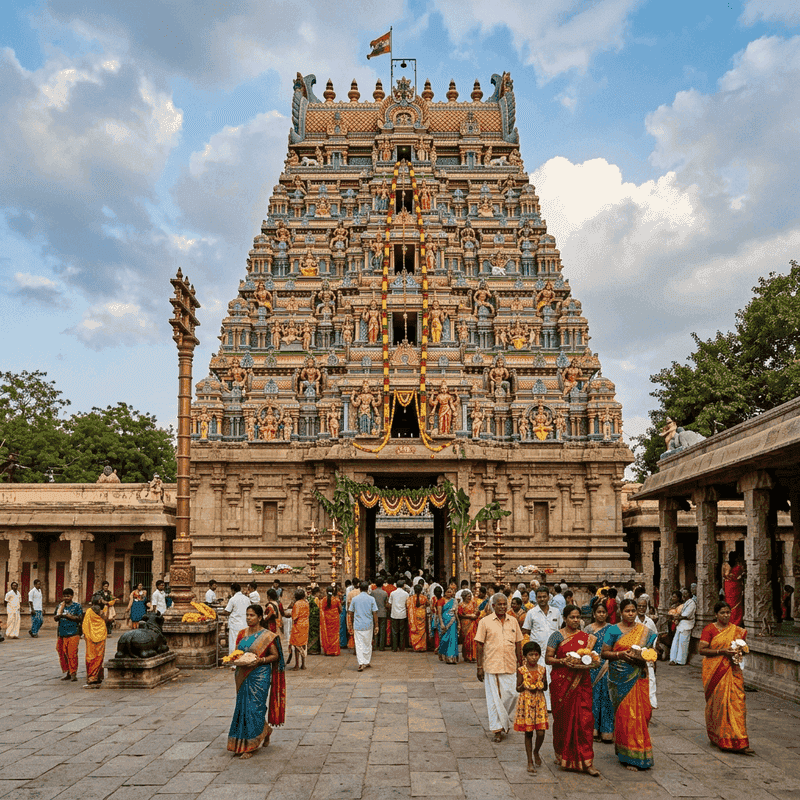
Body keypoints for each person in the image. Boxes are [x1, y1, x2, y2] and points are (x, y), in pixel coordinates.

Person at [601, 597, 657, 771]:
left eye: (633, 611)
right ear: (620, 612)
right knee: (627, 716)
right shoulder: (613, 630)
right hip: (620, 678)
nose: (631, 614)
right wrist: (621, 655)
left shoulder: (645, 631)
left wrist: (649, 654)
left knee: (643, 714)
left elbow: (653, 650)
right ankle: (628, 755)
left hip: (639, 675)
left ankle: (639, 750)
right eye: (627, 611)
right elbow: (604, 653)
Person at [546, 605, 600, 776]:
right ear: (565, 618)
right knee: (563, 721)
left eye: (578, 617)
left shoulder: (587, 638)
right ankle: (563, 755)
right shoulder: (556, 636)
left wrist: (594, 663)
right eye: (572, 617)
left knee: (585, 721)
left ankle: (587, 761)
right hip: (562, 684)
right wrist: (563, 661)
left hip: (582, 684)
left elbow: (593, 658)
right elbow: (548, 659)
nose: (575, 620)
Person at [227, 604, 285, 759]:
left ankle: (251, 746)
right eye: (247, 615)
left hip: (259, 674)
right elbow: (237, 653)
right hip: (242, 673)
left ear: (260, 617)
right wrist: (235, 659)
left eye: (252, 615)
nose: (248, 618)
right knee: (242, 707)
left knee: (255, 707)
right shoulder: (241, 634)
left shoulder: (267, 636)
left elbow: (276, 656)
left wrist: (261, 660)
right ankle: (263, 730)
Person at [698, 601, 753, 754]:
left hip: (733, 671)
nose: (726, 615)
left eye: (728, 612)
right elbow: (701, 650)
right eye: (722, 612)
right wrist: (722, 651)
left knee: (738, 704)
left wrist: (740, 650)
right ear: (716, 614)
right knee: (719, 705)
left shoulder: (737, 630)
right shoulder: (709, 629)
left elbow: (744, 649)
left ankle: (740, 740)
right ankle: (720, 738)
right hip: (715, 671)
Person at [475, 593, 523, 742]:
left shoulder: (513, 621)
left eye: (504, 604)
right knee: (495, 699)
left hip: (510, 664)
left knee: (513, 695)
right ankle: (497, 729)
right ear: (493, 606)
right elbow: (479, 644)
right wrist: (479, 666)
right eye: (499, 604)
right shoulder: (485, 621)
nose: (502, 607)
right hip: (492, 665)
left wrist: (521, 664)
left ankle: (503, 721)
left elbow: (518, 643)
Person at [521, 586, 561, 711]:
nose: (542, 599)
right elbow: (526, 630)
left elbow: (559, 629)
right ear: (536, 598)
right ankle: (545, 705)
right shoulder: (531, 613)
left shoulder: (556, 612)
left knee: (553, 678)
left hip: (554, 652)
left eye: (544, 596)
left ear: (549, 597)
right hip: (538, 653)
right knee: (542, 677)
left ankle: (553, 703)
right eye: (539, 597)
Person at [514, 641, 549, 774]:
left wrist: (543, 684)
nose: (533, 657)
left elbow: (545, 687)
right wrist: (523, 686)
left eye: (536, 655)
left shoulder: (542, 669)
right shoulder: (521, 670)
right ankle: (529, 761)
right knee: (528, 733)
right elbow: (517, 688)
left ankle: (536, 751)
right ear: (525, 656)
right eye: (530, 655)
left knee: (541, 732)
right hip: (527, 703)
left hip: (539, 702)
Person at [586, 601, 614, 744]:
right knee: (593, 699)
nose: (601, 614)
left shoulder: (612, 629)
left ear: (607, 614)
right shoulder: (588, 629)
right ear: (594, 614)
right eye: (599, 612)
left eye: (604, 612)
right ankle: (593, 730)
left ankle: (607, 732)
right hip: (593, 667)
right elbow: (585, 648)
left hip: (608, 667)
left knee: (607, 698)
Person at [349, 581, 379, 671]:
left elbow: (350, 612)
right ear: (367, 589)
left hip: (358, 625)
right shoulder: (371, 599)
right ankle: (366, 661)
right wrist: (376, 625)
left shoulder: (355, 599)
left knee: (359, 644)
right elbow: (374, 613)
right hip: (368, 624)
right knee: (368, 643)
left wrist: (351, 623)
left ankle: (361, 662)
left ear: (360, 589)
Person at [54, 588, 83, 682]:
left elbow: (80, 618)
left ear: (72, 596)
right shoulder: (60, 606)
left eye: (68, 596)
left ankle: (73, 673)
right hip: (62, 633)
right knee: (62, 652)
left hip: (73, 633)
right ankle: (68, 672)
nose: (66, 598)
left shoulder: (77, 606)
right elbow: (55, 618)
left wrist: (70, 617)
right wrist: (60, 612)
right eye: (65, 596)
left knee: (72, 654)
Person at [82, 594, 108, 688]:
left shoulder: (89, 611)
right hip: (99, 636)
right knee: (98, 657)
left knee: (91, 657)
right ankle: (95, 677)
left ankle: (93, 677)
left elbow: (85, 625)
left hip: (90, 636)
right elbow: (106, 619)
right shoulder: (101, 610)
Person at [670, 588, 696, 665]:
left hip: (687, 624)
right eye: (683, 593)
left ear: (689, 594)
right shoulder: (685, 603)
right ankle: (673, 659)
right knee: (675, 642)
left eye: (685, 593)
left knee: (683, 643)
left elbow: (686, 615)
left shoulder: (691, 603)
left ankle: (680, 661)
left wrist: (678, 617)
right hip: (681, 624)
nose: (684, 594)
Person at [225, 583, 252, 656]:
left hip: (235, 625)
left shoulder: (233, 599)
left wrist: (217, 613)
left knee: (234, 643)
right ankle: (245, 658)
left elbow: (227, 612)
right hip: (245, 624)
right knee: (244, 643)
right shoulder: (246, 599)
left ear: (233, 590)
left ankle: (234, 662)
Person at [289, 588, 310, 670]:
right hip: (305, 624)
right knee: (303, 644)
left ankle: (297, 665)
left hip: (298, 625)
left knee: (297, 645)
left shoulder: (297, 604)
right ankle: (303, 664)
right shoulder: (306, 603)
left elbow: (294, 616)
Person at [438, 586, 459, 664]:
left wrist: (458, 622)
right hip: (445, 621)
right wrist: (441, 623)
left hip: (452, 621)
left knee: (453, 638)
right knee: (445, 639)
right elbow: (439, 613)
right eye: (448, 592)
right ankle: (443, 654)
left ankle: (451, 657)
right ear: (445, 592)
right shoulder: (441, 601)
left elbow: (456, 613)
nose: (449, 593)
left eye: (451, 592)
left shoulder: (454, 601)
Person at [722, 552, 745, 626]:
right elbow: (742, 575)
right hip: (736, 585)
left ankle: (729, 621)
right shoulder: (739, 565)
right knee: (737, 604)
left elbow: (723, 575)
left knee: (729, 602)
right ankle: (736, 621)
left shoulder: (725, 565)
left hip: (728, 585)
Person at [458, 589, 479, 662]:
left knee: (473, 640)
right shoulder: (461, 605)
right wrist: (469, 616)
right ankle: (467, 656)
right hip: (465, 623)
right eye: (467, 596)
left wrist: (476, 613)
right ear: (464, 597)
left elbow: (477, 611)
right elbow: (460, 614)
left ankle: (473, 656)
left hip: (473, 623)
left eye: (470, 596)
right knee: (466, 641)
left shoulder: (473, 603)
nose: (469, 598)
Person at [407, 583, 429, 652]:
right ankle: (422, 646)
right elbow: (428, 604)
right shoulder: (424, 597)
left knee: (414, 630)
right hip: (422, 615)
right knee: (422, 631)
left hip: (413, 615)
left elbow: (407, 606)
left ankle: (416, 646)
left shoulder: (410, 598)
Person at [320, 587, 342, 656]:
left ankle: (328, 650)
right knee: (335, 635)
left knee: (328, 634)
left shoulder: (323, 600)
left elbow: (321, 609)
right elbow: (340, 609)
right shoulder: (336, 599)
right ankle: (334, 651)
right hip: (335, 619)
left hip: (327, 619)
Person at [389, 579, 410, 652]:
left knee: (394, 631)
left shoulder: (392, 593)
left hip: (394, 614)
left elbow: (390, 603)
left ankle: (394, 647)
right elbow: (407, 604)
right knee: (402, 631)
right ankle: (401, 647)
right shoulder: (406, 594)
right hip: (403, 614)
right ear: (403, 585)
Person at [371, 578, 389, 651]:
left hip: (374, 613)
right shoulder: (384, 593)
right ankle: (381, 646)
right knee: (382, 630)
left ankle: (375, 645)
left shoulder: (372, 593)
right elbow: (386, 604)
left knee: (375, 629)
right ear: (382, 585)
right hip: (382, 612)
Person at [307, 585, 321, 655]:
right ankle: (314, 650)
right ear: (316, 593)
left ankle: (309, 649)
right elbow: (318, 608)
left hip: (309, 618)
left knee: (310, 634)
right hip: (315, 619)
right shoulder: (316, 599)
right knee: (315, 634)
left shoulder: (308, 598)